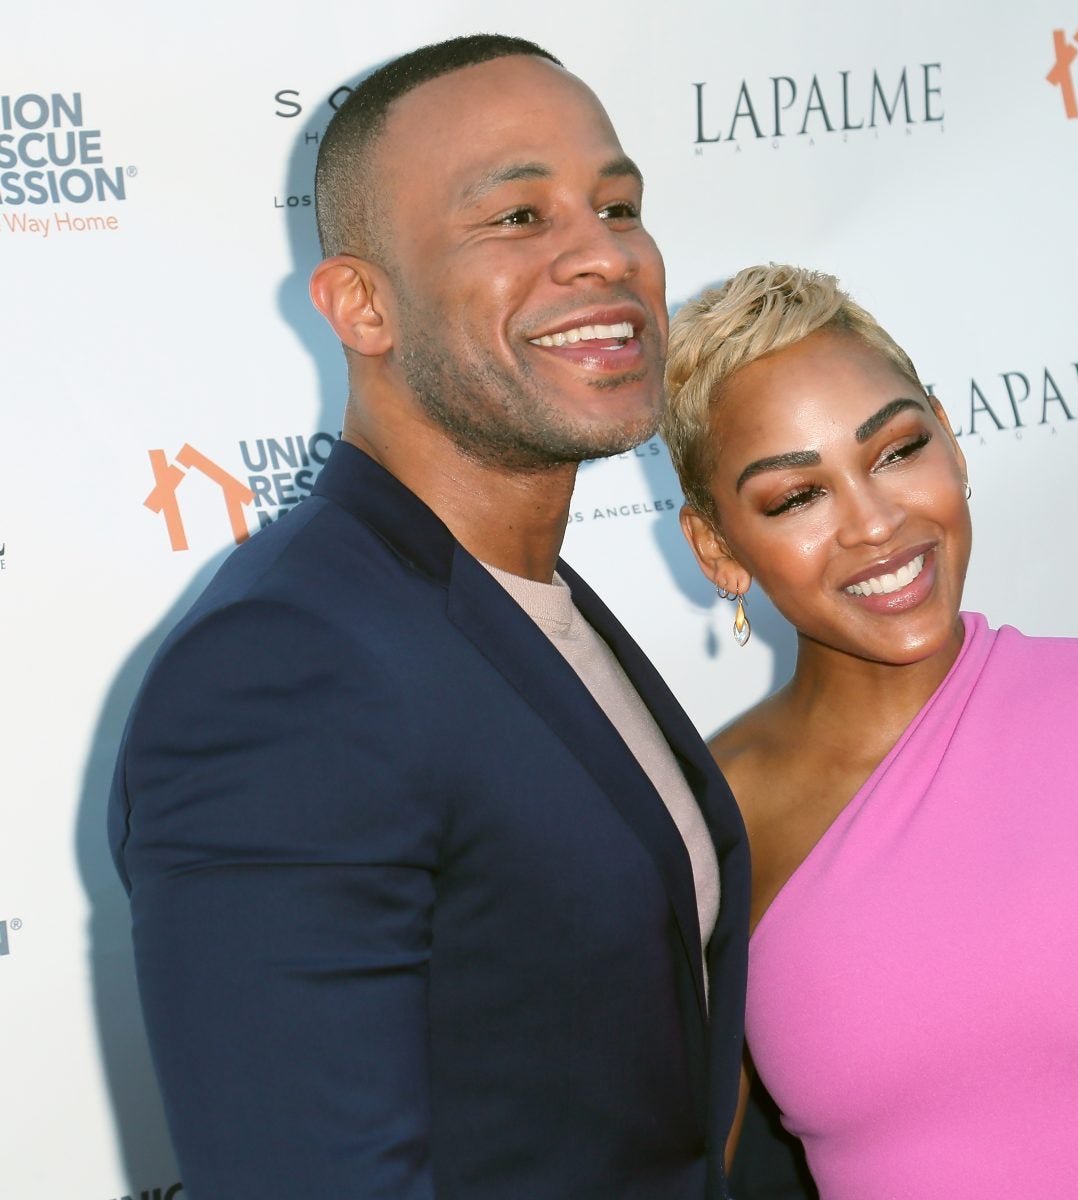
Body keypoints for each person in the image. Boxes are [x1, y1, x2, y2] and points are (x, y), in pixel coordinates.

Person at [108, 36, 755, 1200]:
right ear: (361, 305)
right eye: (517, 216)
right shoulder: (287, 669)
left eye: (619, 206)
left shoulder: (516, 600)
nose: (605, 254)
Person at [661, 263, 1078, 1199]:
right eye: (797, 497)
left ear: (950, 440)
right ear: (718, 549)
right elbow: (682, 1168)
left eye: (897, 450)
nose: (875, 523)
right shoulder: (706, 821)